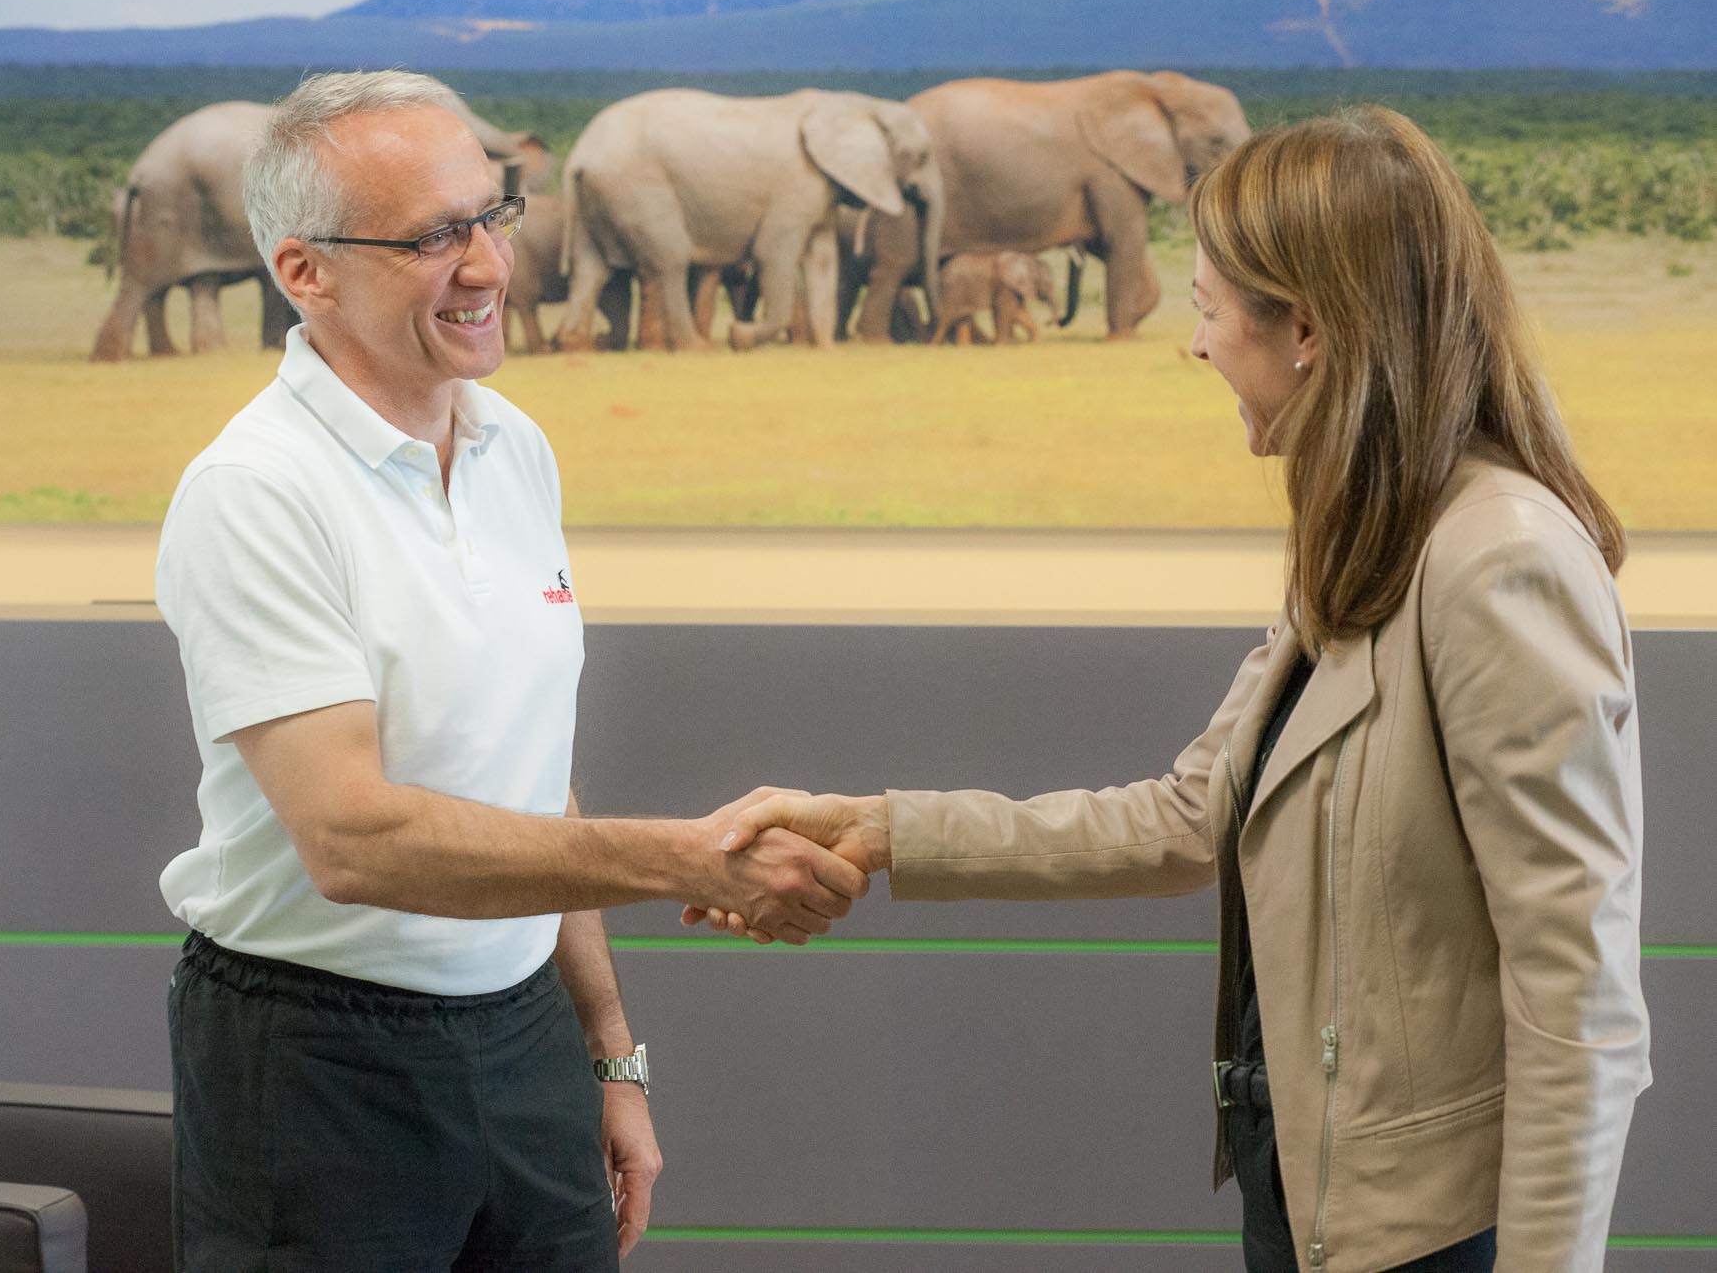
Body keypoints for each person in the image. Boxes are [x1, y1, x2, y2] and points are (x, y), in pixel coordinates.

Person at [692, 107, 1650, 1272]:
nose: (1195, 345)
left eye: (1206, 310)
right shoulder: (1369, 529)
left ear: (1304, 327)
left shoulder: (1497, 559)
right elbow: (1194, 814)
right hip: (1308, 1190)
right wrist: (885, 830)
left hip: (1432, 1235)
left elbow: (1578, 988)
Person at [155, 71, 868, 1273]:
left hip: (527, 1030)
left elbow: (534, 783)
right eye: (432, 237)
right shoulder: (255, 493)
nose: (487, 266)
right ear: (302, 272)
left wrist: (609, 1055)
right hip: (318, 1061)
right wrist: (688, 860)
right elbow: (355, 841)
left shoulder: (511, 446)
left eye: (492, 216)